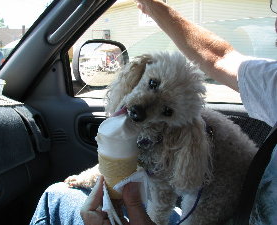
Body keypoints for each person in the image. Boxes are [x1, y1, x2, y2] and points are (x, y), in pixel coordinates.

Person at [30, 0, 277, 224]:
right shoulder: (273, 81)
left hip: (225, 198)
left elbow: (164, 188)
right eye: (153, 84)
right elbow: (218, 56)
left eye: (167, 111)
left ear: (176, 121)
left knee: (55, 196)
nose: (141, 109)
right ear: (144, 70)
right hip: (250, 197)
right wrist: (151, 4)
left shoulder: (178, 137)